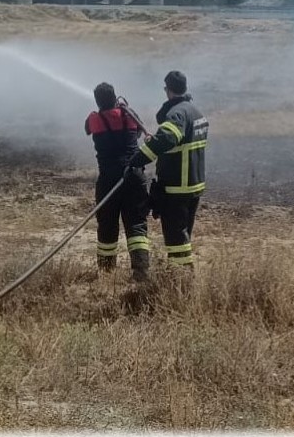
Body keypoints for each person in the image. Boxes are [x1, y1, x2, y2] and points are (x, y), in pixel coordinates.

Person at [126, 71, 207, 269]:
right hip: (194, 185)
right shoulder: (195, 111)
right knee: (183, 235)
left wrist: (139, 158)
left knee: (176, 237)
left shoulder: (177, 113)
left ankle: (182, 277)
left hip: (177, 186)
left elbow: (168, 138)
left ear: (167, 89)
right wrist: (156, 140)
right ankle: (180, 273)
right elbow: (177, 141)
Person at [85, 82, 152, 281]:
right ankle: (141, 272)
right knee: (137, 224)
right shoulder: (129, 114)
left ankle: (106, 272)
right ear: (115, 97)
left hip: (108, 181)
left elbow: (87, 129)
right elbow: (138, 131)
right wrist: (123, 108)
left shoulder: (94, 119)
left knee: (107, 225)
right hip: (134, 177)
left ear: (97, 101)